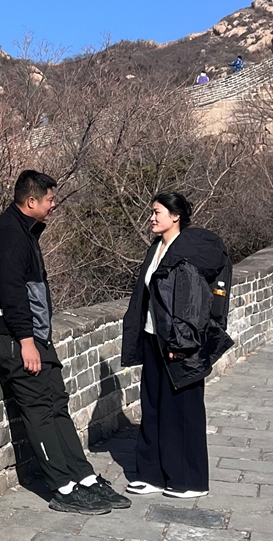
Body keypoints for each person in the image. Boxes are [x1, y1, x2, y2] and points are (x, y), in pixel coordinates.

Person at [0, 171, 128, 514]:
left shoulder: (24, 232)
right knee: (39, 409)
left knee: (57, 402)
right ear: (31, 201)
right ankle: (62, 487)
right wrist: (26, 341)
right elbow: (12, 293)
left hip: (34, 333)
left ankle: (83, 477)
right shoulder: (8, 235)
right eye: (50, 199)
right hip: (13, 336)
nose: (54, 204)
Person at [121, 192, 232, 499]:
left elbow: (192, 303)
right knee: (153, 407)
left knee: (183, 410)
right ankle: (151, 475)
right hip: (153, 338)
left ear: (175, 216)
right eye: (152, 212)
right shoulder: (156, 248)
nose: (152, 218)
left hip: (180, 343)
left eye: (157, 212)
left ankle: (190, 481)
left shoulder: (187, 253)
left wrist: (181, 342)